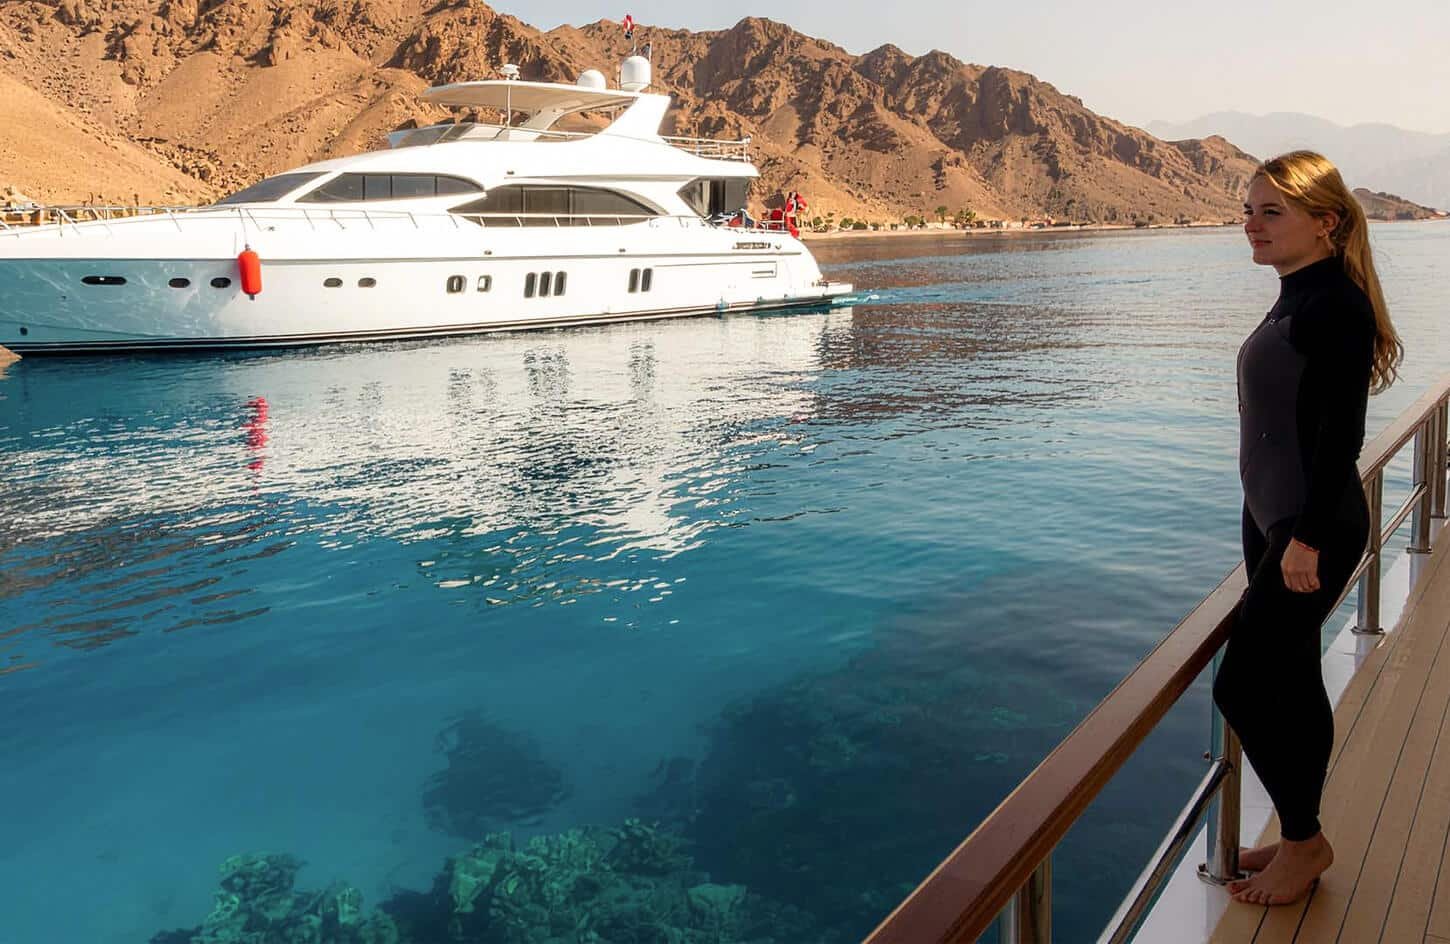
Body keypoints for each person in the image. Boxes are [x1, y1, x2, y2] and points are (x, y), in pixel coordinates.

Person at [1212, 150, 1403, 906]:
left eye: (1271, 212)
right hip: (1276, 519)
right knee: (1289, 676)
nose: (1251, 225)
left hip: (1308, 524)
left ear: (1325, 223)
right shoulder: (1298, 292)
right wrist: (1266, 528)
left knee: (1244, 687)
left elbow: (1339, 437)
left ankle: (1305, 840)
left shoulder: (1333, 306)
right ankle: (1301, 835)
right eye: (1248, 210)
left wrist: (1307, 538)